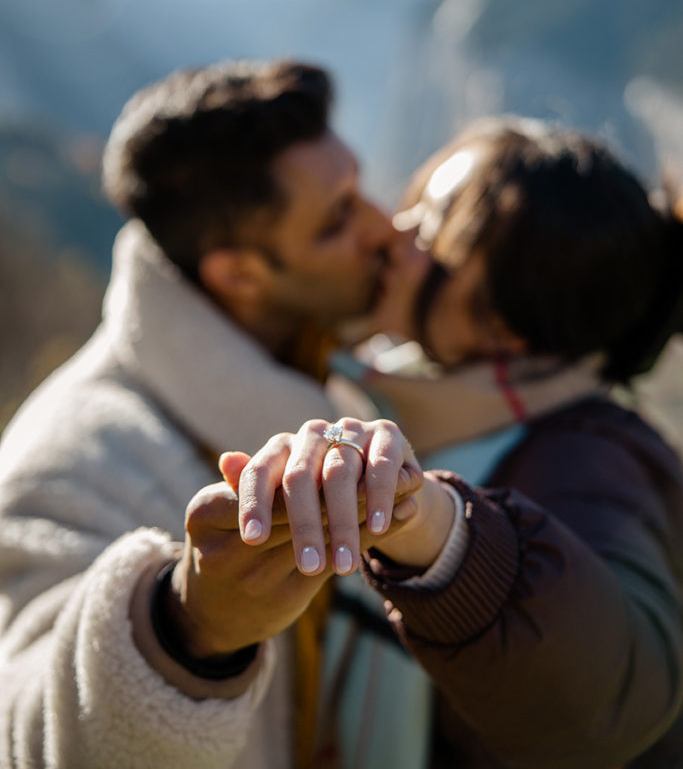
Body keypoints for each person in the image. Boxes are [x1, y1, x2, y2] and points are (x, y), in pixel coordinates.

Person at [0, 59, 420, 769]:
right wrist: (185, 627)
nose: (384, 226)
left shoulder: (338, 373)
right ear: (239, 274)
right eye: (337, 218)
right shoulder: (73, 459)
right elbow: (26, 733)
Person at [228, 115, 683, 767]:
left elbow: (614, 695)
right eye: (413, 207)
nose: (393, 232)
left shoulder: (591, 458)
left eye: (435, 230)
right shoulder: (420, 408)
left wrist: (447, 542)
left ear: (507, 323)